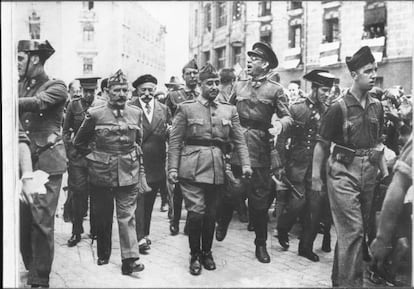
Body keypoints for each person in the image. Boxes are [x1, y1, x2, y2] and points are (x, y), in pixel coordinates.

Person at [168, 63, 252, 275]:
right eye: (209, 83)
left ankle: (207, 252)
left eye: (216, 83)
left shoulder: (229, 109)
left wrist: (246, 164)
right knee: (196, 214)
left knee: (211, 215)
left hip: (217, 169)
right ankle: (194, 255)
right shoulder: (186, 108)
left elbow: (239, 141)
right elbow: (176, 141)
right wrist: (172, 169)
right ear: (200, 84)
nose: (214, 87)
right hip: (191, 169)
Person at [311, 46, 385, 287]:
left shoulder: (377, 106)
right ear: (354, 74)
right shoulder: (338, 107)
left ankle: (339, 281)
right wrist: (316, 178)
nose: (373, 75)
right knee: (353, 231)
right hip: (343, 172)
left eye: (375, 70)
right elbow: (321, 146)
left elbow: (378, 143)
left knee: (353, 234)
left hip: (369, 173)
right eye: (368, 71)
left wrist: (384, 174)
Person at [219, 42, 293, 263]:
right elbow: (226, 109)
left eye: (255, 59)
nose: (249, 61)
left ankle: (261, 245)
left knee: (259, 203)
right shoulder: (239, 86)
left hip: (260, 150)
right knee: (232, 190)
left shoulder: (275, 89)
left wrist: (280, 125)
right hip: (237, 148)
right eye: (249, 58)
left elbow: (288, 116)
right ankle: (222, 221)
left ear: (266, 64)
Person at [73, 69, 147, 275]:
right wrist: (95, 156)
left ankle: (130, 260)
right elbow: (78, 142)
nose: (122, 94)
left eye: (125, 90)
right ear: (107, 91)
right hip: (101, 172)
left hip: (128, 171)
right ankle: (103, 253)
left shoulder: (136, 113)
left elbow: (138, 142)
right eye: (117, 90)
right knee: (103, 216)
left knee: (127, 216)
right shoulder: (96, 113)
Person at [18, 39, 68, 288]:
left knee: (41, 221)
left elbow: (38, 103)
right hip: (25, 162)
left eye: (20, 58)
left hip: (47, 163)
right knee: (24, 221)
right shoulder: (19, 86)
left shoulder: (57, 86)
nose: (16, 64)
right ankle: (33, 267)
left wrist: (8, 101)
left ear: (34, 59)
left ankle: (40, 279)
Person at [276, 69, 335, 262]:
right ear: (315, 88)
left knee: (315, 208)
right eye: (324, 90)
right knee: (296, 204)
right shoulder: (296, 109)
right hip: (297, 165)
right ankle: (283, 228)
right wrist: (281, 164)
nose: (327, 94)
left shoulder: (328, 111)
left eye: (329, 90)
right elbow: (283, 139)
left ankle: (305, 247)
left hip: (318, 167)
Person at [129, 74, 172, 254]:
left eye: (150, 90)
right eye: (143, 90)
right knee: (138, 201)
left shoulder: (164, 109)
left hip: (156, 164)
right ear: (137, 91)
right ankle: (139, 238)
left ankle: (145, 233)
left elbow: (170, 134)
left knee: (149, 203)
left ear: (155, 90)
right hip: (136, 162)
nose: (147, 94)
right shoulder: (130, 107)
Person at [63, 76, 103, 247]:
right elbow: (65, 131)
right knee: (78, 194)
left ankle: (95, 230)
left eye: (91, 91)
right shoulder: (73, 105)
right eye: (86, 91)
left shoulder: (101, 105)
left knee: (96, 194)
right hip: (78, 158)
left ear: (96, 90)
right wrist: (69, 152)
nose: (88, 95)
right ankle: (76, 230)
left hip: (96, 157)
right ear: (81, 90)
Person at [369, 135, 412, 286]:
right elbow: (397, 185)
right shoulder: (389, 154)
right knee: (396, 245)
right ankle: (376, 270)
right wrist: (382, 237)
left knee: (402, 246)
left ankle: (389, 275)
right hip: (399, 204)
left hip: (406, 206)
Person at [165, 59, 200, 235]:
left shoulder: (202, 95)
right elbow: (165, 117)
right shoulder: (174, 96)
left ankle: (189, 222)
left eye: (195, 73)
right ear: (183, 76)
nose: (192, 76)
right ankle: (175, 220)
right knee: (176, 186)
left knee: (194, 185)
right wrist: (170, 128)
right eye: (189, 73)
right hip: (180, 146)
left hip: (196, 147)